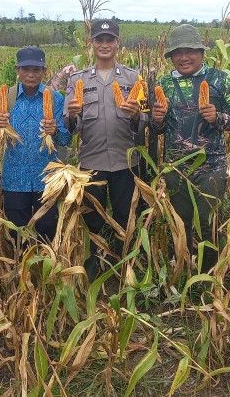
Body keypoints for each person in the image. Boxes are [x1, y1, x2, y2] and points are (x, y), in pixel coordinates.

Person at [150, 24, 230, 273]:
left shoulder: (219, 79)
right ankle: (182, 270)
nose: (184, 57)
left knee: (207, 222)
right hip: (175, 168)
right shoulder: (164, 84)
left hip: (211, 167)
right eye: (178, 52)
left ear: (201, 52)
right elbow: (156, 130)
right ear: (171, 56)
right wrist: (157, 119)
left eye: (190, 51)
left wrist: (218, 117)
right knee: (180, 222)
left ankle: (208, 274)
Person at [63, 19, 148, 280]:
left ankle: (127, 268)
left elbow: (145, 121)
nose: (104, 44)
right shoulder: (76, 80)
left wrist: (136, 116)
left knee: (126, 216)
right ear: (92, 43)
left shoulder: (134, 78)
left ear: (117, 43)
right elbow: (70, 126)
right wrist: (74, 116)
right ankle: (91, 267)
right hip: (92, 161)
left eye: (109, 39)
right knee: (92, 218)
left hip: (126, 162)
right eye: (99, 39)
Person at [0, 46, 71, 244]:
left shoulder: (55, 98)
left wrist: (56, 131)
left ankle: (44, 271)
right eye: (26, 69)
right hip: (15, 179)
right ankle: (21, 271)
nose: (31, 75)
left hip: (47, 179)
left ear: (45, 71)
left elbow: (66, 140)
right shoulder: (6, 97)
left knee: (46, 229)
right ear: (18, 70)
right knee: (17, 233)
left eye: (36, 69)